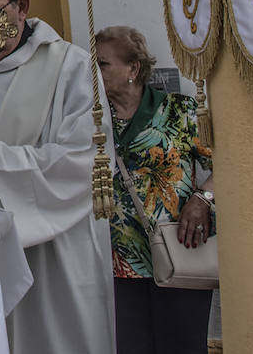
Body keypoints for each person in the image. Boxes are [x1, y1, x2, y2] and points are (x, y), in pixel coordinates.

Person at [0, 0, 115, 353]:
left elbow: (87, 160)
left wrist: (0, 158)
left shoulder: (71, 68)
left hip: (52, 257)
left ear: (21, 6)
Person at [95, 25, 214, 354]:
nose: (93, 72)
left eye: (102, 64)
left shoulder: (180, 111)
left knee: (183, 346)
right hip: (118, 263)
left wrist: (203, 199)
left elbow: (228, 165)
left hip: (180, 253)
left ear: (133, 69)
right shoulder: (90, 120)